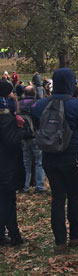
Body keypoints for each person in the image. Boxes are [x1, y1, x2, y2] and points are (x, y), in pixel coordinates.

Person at [32, 68, 78, 253]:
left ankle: (60, 240)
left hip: (49, 156)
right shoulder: (76, 104)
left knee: (57, 198)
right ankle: (75, 235)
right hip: (72, 156)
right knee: (74, 197)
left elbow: (38, 124)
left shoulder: (42, 104)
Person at [0, 80, 25, 247]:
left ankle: (8, 234)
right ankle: (12, 234)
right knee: (7, 199)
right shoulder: (6, 117)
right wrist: (20, 131)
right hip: (6, 163)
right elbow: (11, 142)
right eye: (11, 93)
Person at [19, 85, 45, 193]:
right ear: (35, 93)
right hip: (36, 136)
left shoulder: (19, 104)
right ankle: (39, 186)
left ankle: (25, 186)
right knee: (39, 162)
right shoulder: (37, 104)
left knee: (26, 162)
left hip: (23, 137)